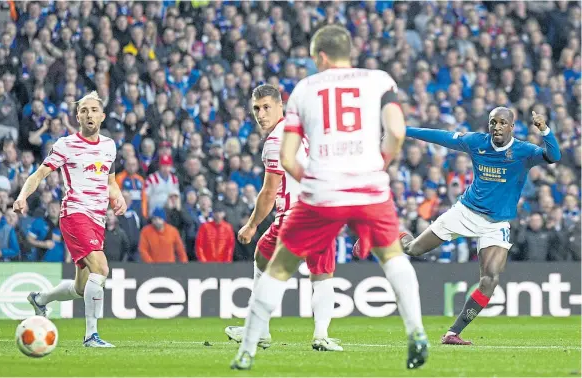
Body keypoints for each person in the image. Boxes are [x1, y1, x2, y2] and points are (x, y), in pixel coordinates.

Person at [230, 25, 428, 371]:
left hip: (321, 193)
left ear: (320, 56)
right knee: (393, 258)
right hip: (368, 184)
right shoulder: (379, 79)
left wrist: (315, 181)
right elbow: (396, 131)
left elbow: (289, 159)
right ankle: (417, 333)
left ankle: (248, 348)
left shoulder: (305, 89)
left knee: (277, 268)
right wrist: (379, 163)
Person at [396, 108, 561, 345]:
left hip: (495, 224)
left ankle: (453, 333)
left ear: (511, 127)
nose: (496, 126)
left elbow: (553, 156)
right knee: (412, 249)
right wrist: (404, 130)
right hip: (465, 212)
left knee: (490, 279)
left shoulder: (523, 151)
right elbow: (441, 136)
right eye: (493, 122)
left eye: (502, 122)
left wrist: (544, 129)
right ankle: (396, 235)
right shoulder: (477, 142)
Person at [225, 84, 343, 352]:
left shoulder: (276, 141)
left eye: (266, 107)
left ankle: (259, 329)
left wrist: (252, 224)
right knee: (322, 274)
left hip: (295, 218)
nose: (261, 114)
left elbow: (268, 192)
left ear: (281, 105)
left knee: (262, 258)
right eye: (256, 108)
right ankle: (321, 334)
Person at [13, 91, 127, 348]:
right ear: (77, 116)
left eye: (93, 110)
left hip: (97, 219)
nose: (88, 114)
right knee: (101, 268)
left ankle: (40, 299)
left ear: (102, 116)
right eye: (84, 110)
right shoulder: (66, 145)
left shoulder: (109, 145)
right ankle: (91, 336)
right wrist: (22, 196)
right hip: (75, 213)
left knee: (80, 287)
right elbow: (39, 174)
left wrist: (117, 195)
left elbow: (110, 181)